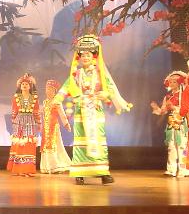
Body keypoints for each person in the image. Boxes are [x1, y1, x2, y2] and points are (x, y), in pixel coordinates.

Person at [54, 35, 132, 185]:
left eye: (88, 55)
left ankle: (102, 172)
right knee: (81, 140)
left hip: (95, 110)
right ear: (79, 57)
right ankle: (79, 172)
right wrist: (58, 98)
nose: (85, 57)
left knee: (98, 139)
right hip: (81, 110)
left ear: (94, 57)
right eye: (82, 55)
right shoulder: (76, 74)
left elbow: (109, 89)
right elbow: (67, 87)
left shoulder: (100, 74)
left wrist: (106, 94)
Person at [150, 71, 189, 177]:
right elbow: (163, 111)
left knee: (182, 145)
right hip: (171, 121)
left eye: (174, 82)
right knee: (171, 145)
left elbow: (186, 109)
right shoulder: (168, 97)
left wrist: (174, 108)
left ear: (179, 83)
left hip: (181, 121)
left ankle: (183, 169)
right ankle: (171, 169)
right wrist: (157, 108)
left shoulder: (183, 94)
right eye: (170, 82)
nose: (171, 84)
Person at [7, 73, 41, 177]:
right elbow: (14, 111)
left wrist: (39, 122)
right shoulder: (16, 97)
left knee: (29, 143)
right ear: (20, 86)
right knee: (20, 144)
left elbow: (36, 111)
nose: (25, 85)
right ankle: (19, 169)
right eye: (23, 84)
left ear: (30, 86)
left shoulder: (34, 97)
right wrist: (14, 121)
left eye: (27, 84)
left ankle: (28, 169)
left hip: (30, 121)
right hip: (19, 122)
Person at [40, 79, 72, 174]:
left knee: (55, 145)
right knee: (45, 146)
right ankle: (46, 167)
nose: (48, 91)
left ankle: (55, 166)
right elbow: (43, 114)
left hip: (54, 128)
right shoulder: (45, 102)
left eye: (50, 89)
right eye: (47, 89)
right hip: (46, 128)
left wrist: (66, 124)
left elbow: (62, 114)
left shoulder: (57, 102)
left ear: (54, 91)